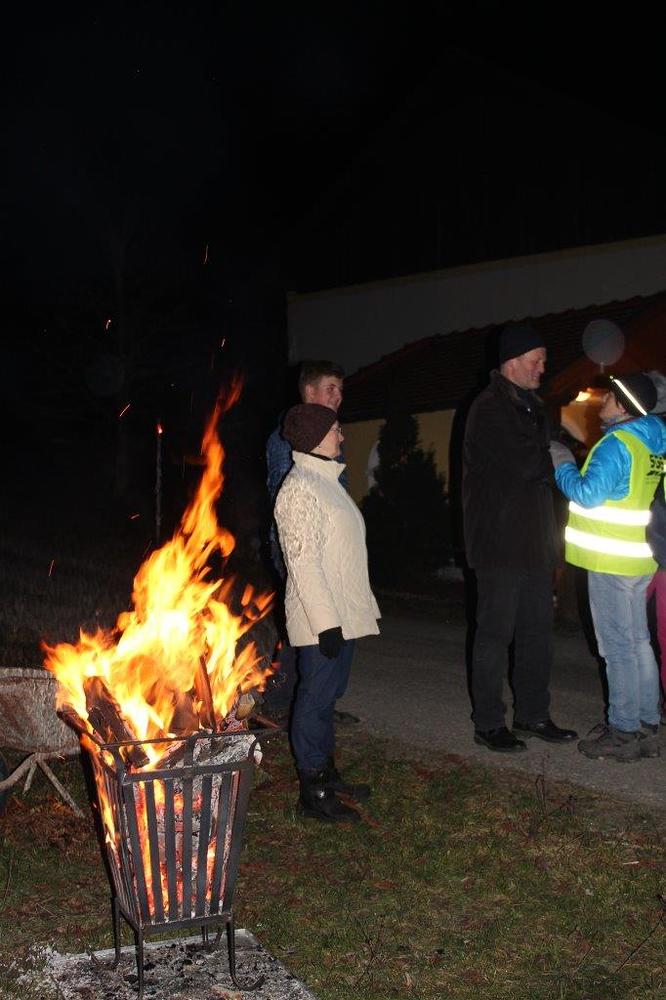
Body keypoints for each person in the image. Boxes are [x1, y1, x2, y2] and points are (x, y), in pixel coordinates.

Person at [462, 321, 577, 752]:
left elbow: (540, 461)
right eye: (536, 360)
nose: (543, 368)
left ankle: (532, 714)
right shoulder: (489, 408)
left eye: (544, 360)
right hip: (499, 545)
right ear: (512, 362)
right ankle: (489, 722)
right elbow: (526, 464)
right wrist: (560, 457)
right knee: (495, 636)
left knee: (537, 635)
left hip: (534, 543)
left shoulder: (532, 406)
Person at [551, 372, 666, 762]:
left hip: (610, 560)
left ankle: (623, 730)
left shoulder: (618, 444)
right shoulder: (654, 444)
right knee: (638, 642)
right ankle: (647, 725)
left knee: (617, 647)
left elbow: (588, 494)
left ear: (624, 406)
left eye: (610, 397)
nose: (602, 401)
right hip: (640, 557)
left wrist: (563, 463)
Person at [274, 403, 380, 821]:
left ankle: (326, 773)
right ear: (317, 437)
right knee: (314, 700)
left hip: (340, 613)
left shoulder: (326, 481)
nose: (342, 435)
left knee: (327, 697)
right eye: (336, 429)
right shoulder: (300, 488)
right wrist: (326, 625)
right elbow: (303, 564)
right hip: (323, 620)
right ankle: (313, 792)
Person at [263, 361, 346, 715]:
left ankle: (319, 700)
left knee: (327, 620)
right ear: (309, 392)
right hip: (299, 545)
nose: (338, 396)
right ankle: (284, 701)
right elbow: (289, 493)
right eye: (330, 388)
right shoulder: (288, 436)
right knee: (307, 621)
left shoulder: (330, 435)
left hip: (329, 546)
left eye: (341, 390)